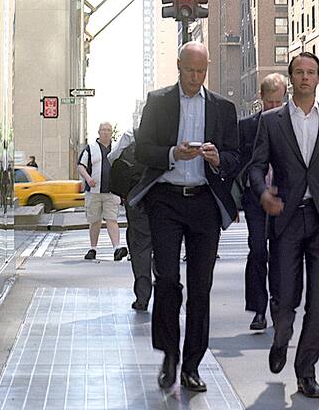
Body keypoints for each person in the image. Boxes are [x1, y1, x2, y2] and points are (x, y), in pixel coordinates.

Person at [248, 52, 319, 399]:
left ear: (318, 78)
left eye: (310, 72)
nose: (304, 77)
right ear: (290, 79)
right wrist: (263, 195)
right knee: (285, 297)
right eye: (298, 72)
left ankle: (306, 370)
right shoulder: (272, 121)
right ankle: (281, 336)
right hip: (286, 217)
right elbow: (256, 167)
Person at [128, 41, 240, 393]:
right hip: (166, 200)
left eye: (201, 71)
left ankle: (192, 365)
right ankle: (169, 356)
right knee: (167, 282)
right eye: (190, 70)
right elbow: (141, 149)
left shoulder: (223, 108)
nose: (195, 77)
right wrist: (172, 153)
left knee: (201, 287)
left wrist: (218, 158)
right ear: (178, 66)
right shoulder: (158, 102)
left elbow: (237, 156)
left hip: (205, 203)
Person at [238, 72, 287, 331]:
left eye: (278, 103)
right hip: (255, 199)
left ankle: (278, 305)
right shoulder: (246, 126)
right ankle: (258, 310)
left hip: (282, 199)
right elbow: (238, 163)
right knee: (258, 250)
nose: (273, 108)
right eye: (269, 102)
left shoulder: (291, 124)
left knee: (280, 254)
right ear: (261, 98)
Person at [108, 129, 153, 312]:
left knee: (140, 247)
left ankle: (142, 296)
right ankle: (166, 292)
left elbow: (112, 158)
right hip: (163, 196)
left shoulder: (130, 135)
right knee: (165, 246)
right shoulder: (169, 131)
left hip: (135, 197)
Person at [77, 122, 127, 261]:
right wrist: (88, 178)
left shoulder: (116, 148)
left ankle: (116, 248)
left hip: (111, 191)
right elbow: (81, 166)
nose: (106, 132)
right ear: (99, 132)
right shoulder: (90, 148)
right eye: (103, 130)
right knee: (95, 221)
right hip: (94, 191)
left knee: (112, 219)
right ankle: (93, 248)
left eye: (108, 130)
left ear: (111, 133)